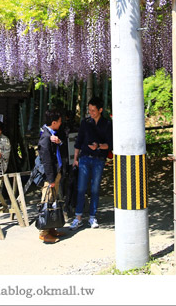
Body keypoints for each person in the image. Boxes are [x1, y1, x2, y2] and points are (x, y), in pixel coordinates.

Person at [69, 97, 113, 230]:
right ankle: (78, 217)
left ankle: (93, 216)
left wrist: (99, 146)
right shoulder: (85, 122)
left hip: (99, 159)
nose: (91, 112)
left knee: (95, 189)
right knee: (81, 188)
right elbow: (78, 142)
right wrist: (75, 159)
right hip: (84, 158)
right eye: (89, 110)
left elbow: (110, 144)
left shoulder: (107, 124)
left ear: (100, 110)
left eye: (93, 110)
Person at [37, 109, 65, 244]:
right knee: (47, 201)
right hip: (51, 176)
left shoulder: (51, 134)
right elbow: (46, 160)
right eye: (59, 122)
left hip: (55, 173)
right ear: (53, 122)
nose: (60, 124)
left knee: (53, 201)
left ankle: (52, 228)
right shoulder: (45, 138)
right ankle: (44, 232)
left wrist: (58, 142)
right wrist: (50, 179)